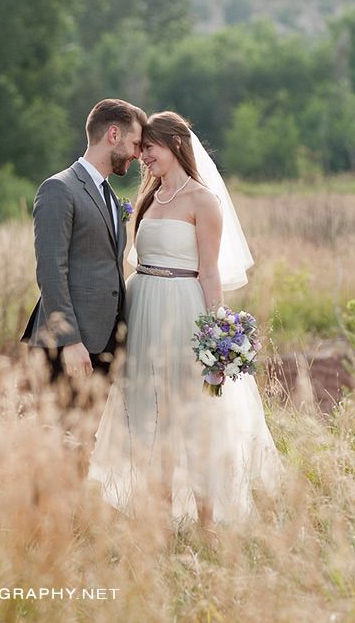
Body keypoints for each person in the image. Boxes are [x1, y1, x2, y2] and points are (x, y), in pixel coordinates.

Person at [88, 111, 281, 527]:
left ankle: (206, 525)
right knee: (146, 415)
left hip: (183, 311)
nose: (142, 158)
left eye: (149, 149)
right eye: (140, 151)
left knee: (191, 419)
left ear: (175, 144)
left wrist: (217, 336)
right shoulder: (148, 199)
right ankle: (157, 524)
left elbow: (209, 272)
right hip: (143, 312)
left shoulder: (203, 201)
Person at [21, 98, 146, 390]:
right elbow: (51, 271)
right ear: (113, 135)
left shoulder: (110, 196)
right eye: (135, 144)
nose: (138, 155)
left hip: (105, 342)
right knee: (58, 434)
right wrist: (70, 340)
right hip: (69, 346)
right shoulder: (59, 188)